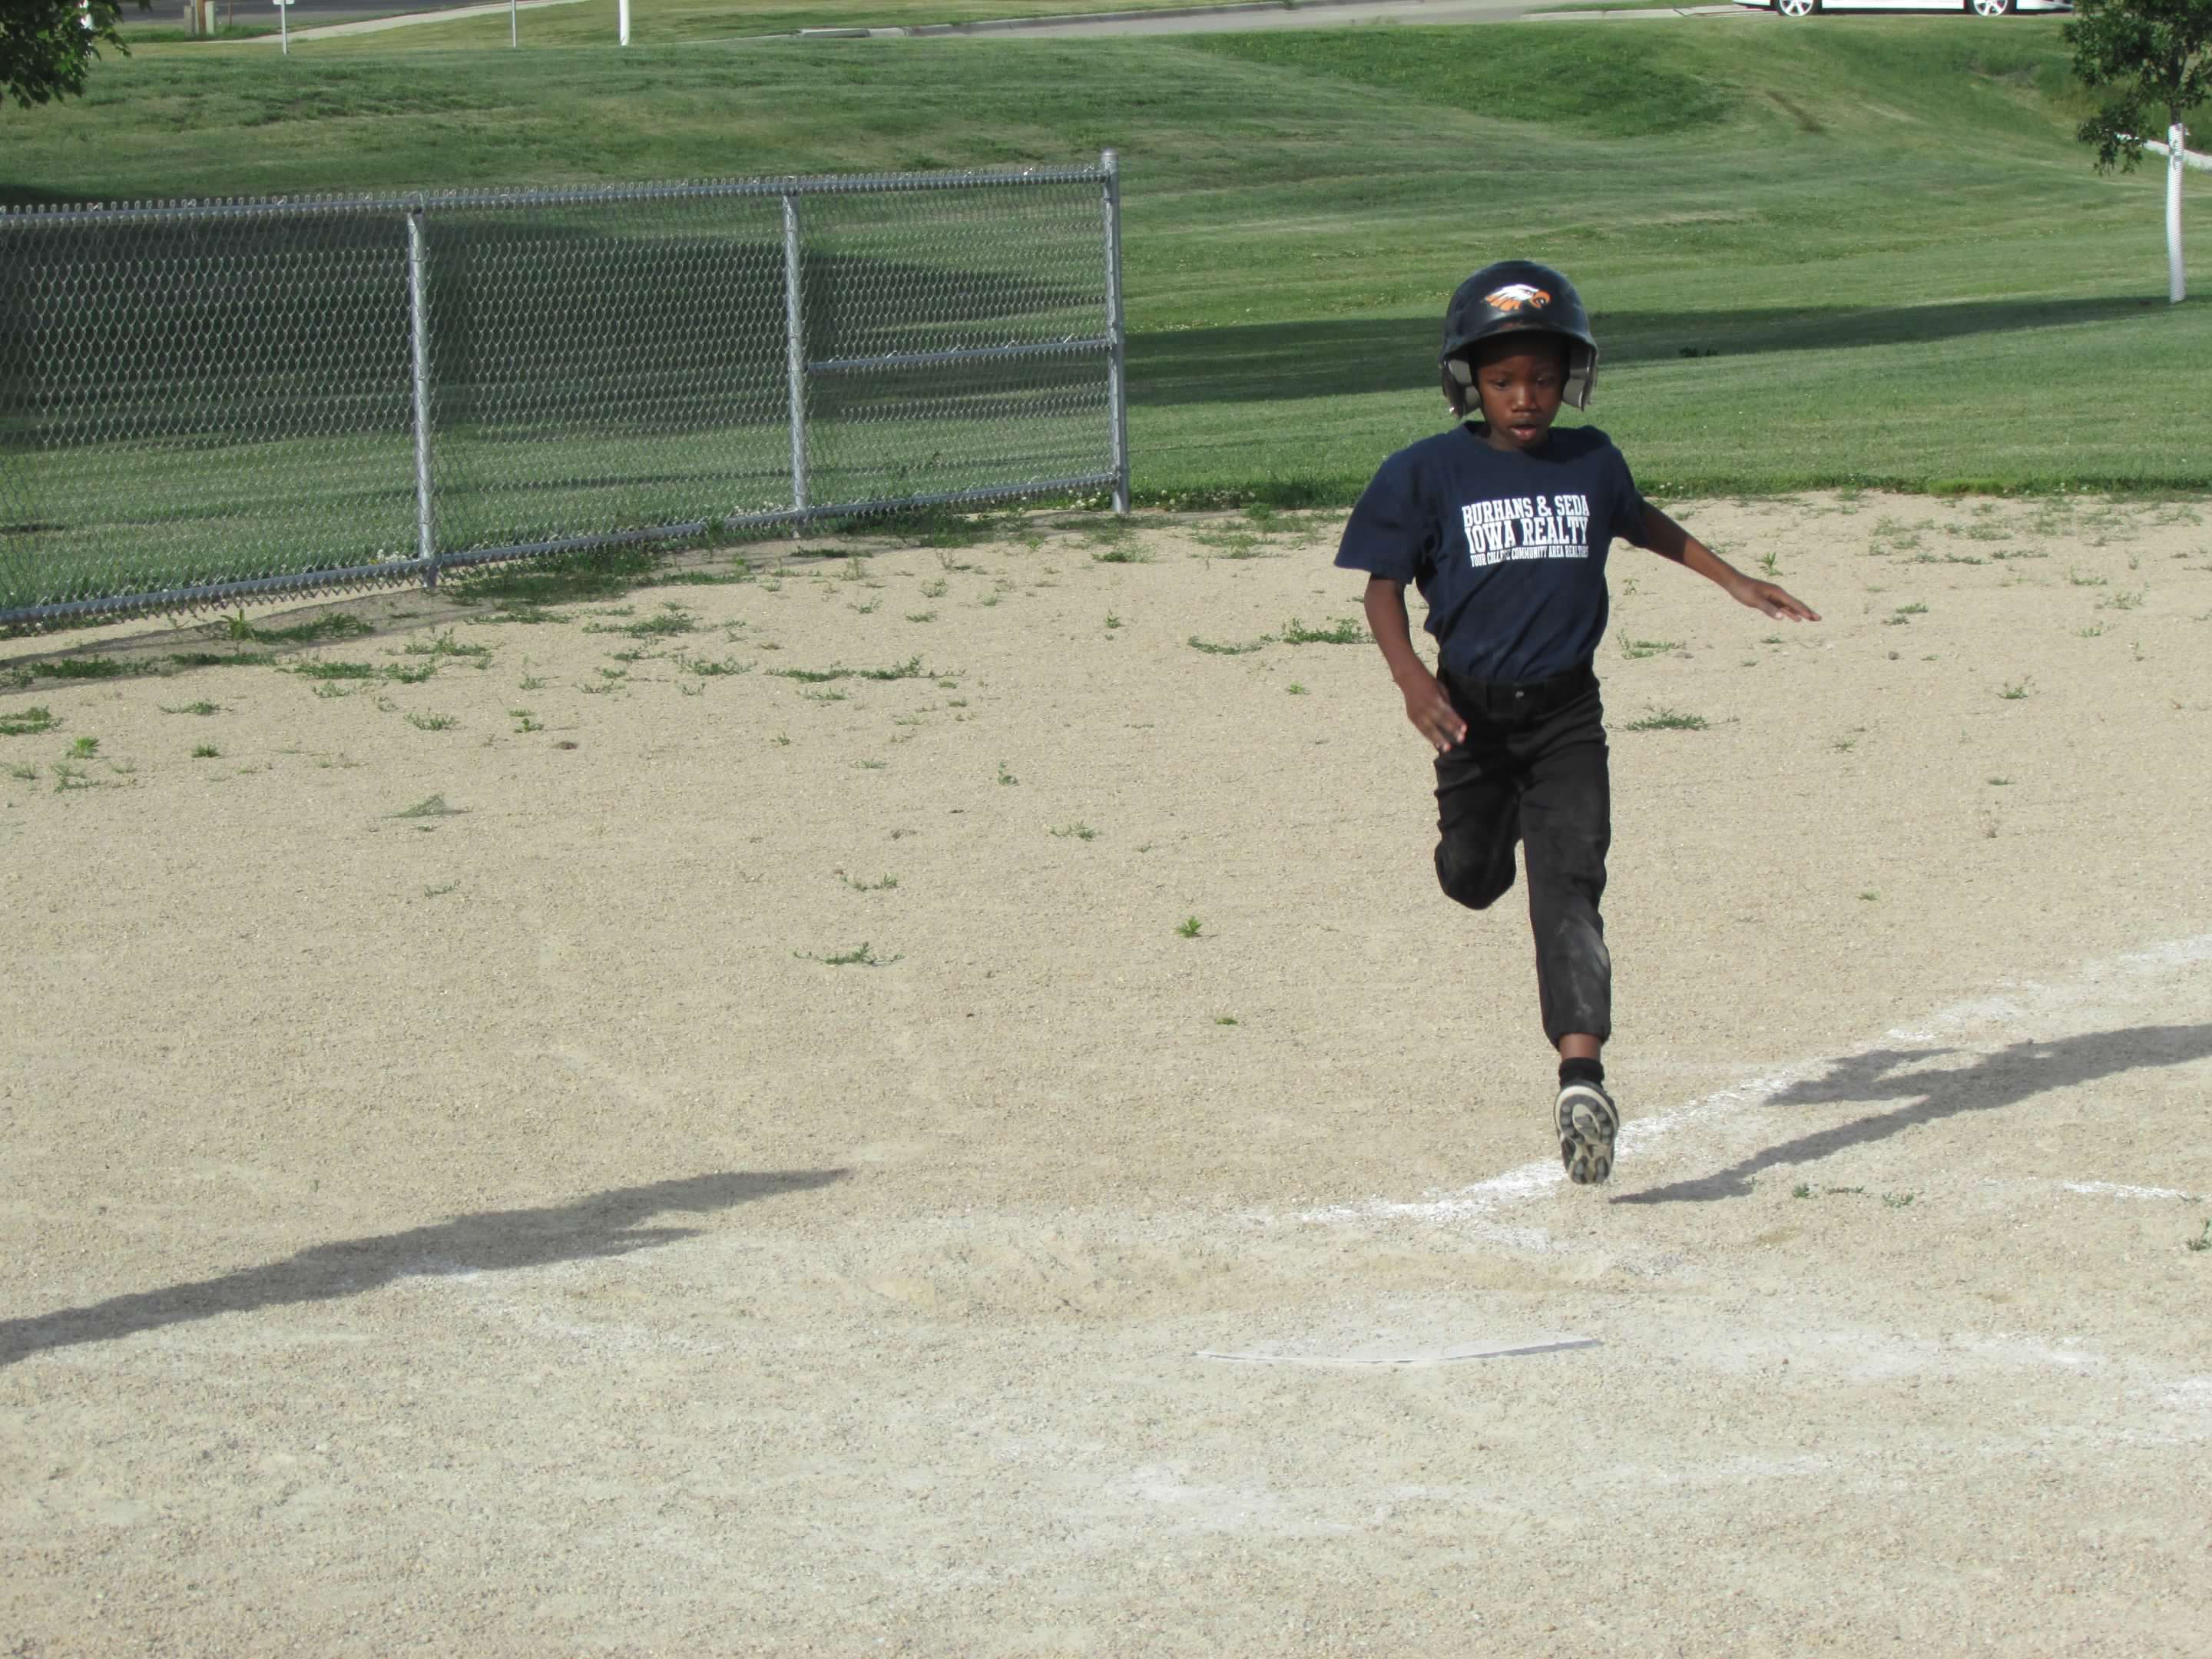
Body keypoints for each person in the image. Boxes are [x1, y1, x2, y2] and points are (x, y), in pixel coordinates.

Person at [1334, 260, 1819, 1186]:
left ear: (1572, 379)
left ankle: (1581, 1080)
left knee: (1571, 887)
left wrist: (1731, 579)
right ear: (1468, 383)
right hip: (1470, 723)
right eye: (1503, 380)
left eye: (1544, 379)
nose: (1526, 398)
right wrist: (1410, 680)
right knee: (1473, 879)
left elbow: (1639, 520)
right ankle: (1487, 839)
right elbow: (1380, 588)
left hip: (1566, 719)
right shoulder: (1426, 473)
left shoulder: (1589, 460)